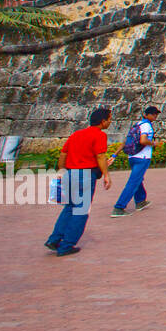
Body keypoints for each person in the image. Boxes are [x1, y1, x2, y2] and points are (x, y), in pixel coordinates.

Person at [45, 107, 114, 257]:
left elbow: (64, 153)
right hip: (85, 175)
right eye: (109, 119)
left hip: (70, 173)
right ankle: (67, 245)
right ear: (102, 122)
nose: (110, 122)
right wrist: (106, 175)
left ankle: (55, 239)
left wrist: (62, 170)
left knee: (69, 207)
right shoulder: (99, 135)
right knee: (81, 211)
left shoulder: (76, 134)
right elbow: (100, 156)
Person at [112, 105, 159, 216]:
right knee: (133, 182)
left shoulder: (137, 125)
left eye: (156, 114)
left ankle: (140, 201)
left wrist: (115, 154)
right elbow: (143, 141)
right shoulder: (147, 126)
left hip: (132, 157)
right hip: (142, 157)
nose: (155, 116)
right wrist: (154, 143)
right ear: (146, 115)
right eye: (153, 114)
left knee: (138, 179)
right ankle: (119, 207)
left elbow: (125, 141)